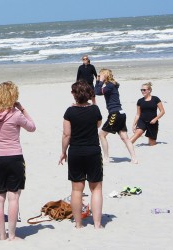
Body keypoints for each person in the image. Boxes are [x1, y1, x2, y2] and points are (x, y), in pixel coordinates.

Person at [0, 81, 36, 240]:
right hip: (14, 157)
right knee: (13, 197)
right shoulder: (16, 114)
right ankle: (12, 235)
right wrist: (22, 109)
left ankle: (2, 235)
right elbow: (32, 127)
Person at [58, 81, 103, 229]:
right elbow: (97, 124)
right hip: (93, 151)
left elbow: (66, 135)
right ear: (89, 94)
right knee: (96, 188)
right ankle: (97, 224)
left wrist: (63, 152)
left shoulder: (69, 112)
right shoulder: (95, 109)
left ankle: (78, 224)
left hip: (76, 151)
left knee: (77, 189)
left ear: (74, 94)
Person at [94, 68, 138, 164]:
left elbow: (97, 92)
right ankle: (134, 158)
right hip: (121, 113)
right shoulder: (112, 85)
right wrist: (98, 80)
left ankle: (106, 158)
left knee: (101, 135)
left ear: (105, 75)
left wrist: (100, 81)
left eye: (101, 75)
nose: (100, 76)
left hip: (115, 114)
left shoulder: (110, 86)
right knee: (124, 137)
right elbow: (97, 90)